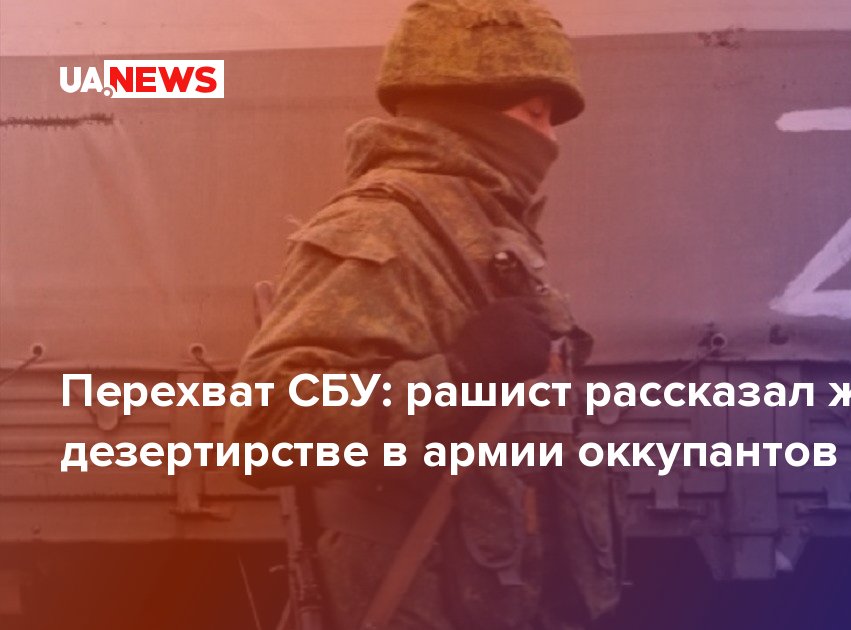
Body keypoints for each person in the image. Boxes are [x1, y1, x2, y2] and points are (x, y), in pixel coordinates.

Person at [225, 1, 624, 629]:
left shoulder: (484, 230)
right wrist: (459, 373)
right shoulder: (379, 227)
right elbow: (267, 428)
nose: (549, 139)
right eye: (533, 114)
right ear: (466, 109)